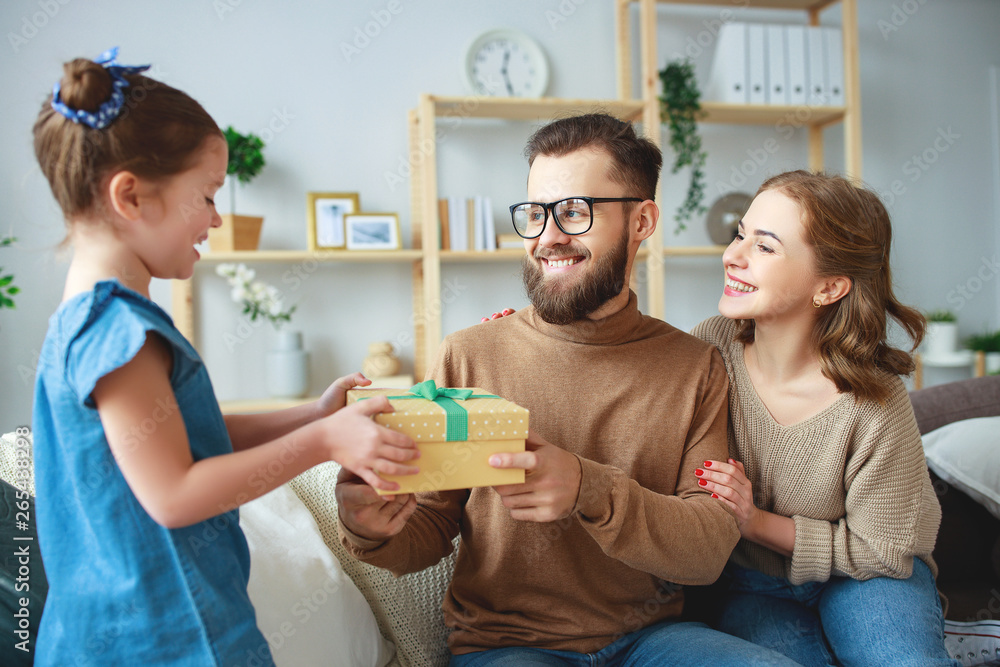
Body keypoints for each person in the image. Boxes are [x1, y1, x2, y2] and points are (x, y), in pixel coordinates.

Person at [336, 113, 800, 666]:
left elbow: (704, 551)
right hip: (508, 645)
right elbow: (433, 525)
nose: (548, 237)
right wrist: (370, 529)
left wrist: (588, 487)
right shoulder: (471, 353)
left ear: (642, 220)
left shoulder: (694, 366)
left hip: (650, 642)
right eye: (535, 214)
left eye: (575, 212)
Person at [30, 48, 419, 665]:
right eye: (208, 195)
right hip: (168, 639)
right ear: (131, 197)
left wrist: (315, 416)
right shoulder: (118, 330)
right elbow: (174, 494)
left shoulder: (88, 318)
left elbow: (186, 437)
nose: (216, 218)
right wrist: (325, 444)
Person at [689, 170, 957, 666]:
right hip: (755, 585)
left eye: (765, 247)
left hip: (867, 576)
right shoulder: (711, 346)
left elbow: (884, 550)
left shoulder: (875, 401)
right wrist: (528, 341)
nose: (732, 255)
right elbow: (630, 379)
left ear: (829, 287)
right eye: (739, 234)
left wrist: (755, 522)